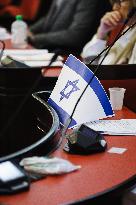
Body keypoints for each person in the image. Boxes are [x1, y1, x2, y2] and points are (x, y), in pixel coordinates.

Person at [27, 0, 111, 55]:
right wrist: (28, 30)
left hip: (66, 54)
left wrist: (35, 38)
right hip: (49, 50)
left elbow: (75, 36)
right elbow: (48, 18)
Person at [81, 0, 136, 64]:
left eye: (120, 1)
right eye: (114, 2)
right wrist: (101, 34)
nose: (114, 8)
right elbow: (89, 61)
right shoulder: (128, 30)